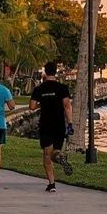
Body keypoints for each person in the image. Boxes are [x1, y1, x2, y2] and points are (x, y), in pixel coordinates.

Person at [30, 61, 74, 193]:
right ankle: (60, 157)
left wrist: (41, 103)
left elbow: (32, 106)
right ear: (55, 72)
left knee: (47, 154)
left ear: (45, 72)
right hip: (59, 124)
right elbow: (67, 105)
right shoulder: (62, 88)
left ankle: (52, 183)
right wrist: (70, 123)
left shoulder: (39, 89)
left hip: (45, 124)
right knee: (55, 151)